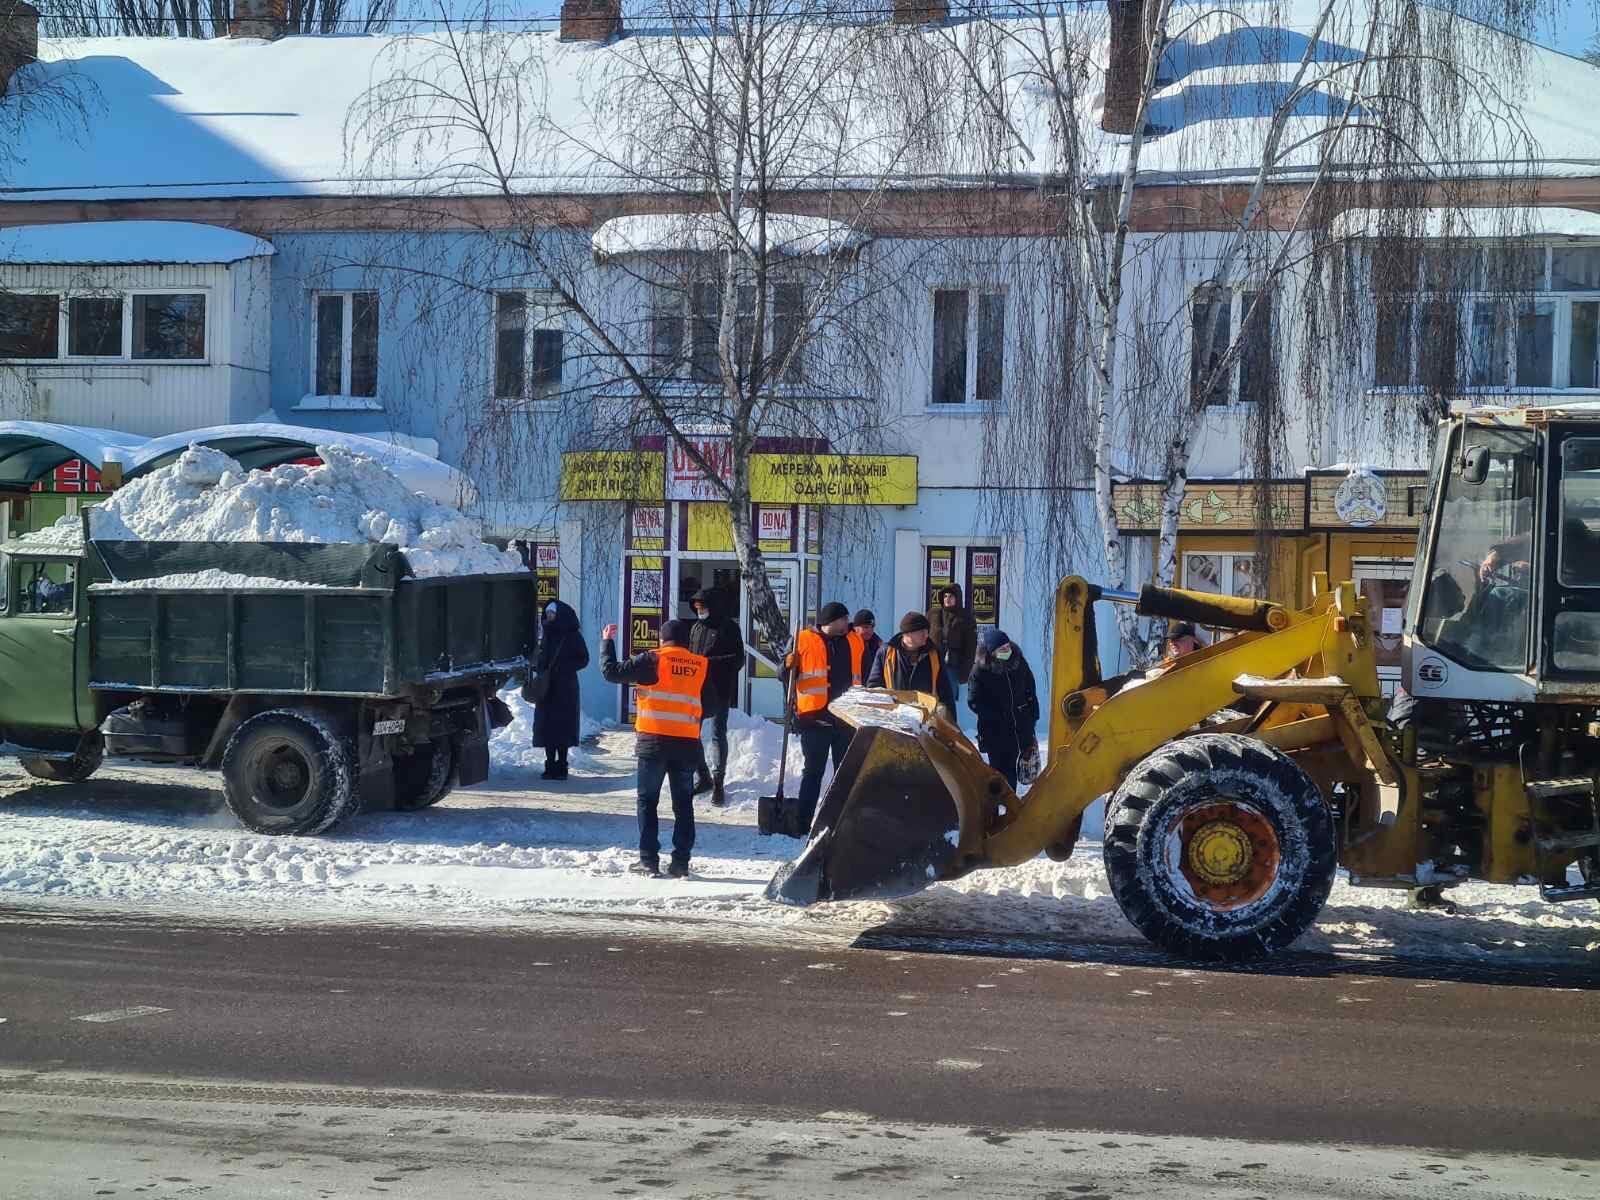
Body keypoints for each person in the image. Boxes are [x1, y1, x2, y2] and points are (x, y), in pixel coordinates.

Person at [600, 618, 708, 878]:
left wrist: (607, 642)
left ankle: (648, 861)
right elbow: (711, 702)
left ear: (663, 639)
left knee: (648, 801)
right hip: (686, 744)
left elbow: (611, 672)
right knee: (683, 804)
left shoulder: (653, 659)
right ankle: (681, 862)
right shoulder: (700, 664)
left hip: (654, 744)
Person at [783, 601, 854, 831]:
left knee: (843, 774)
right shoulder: (802, 639)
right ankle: (803, 822)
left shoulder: (849, 641)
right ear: (831, 621)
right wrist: (788, 665)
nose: (847, 623)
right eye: (843, 619)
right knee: (813, 772)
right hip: (813, 719)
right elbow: (783, 674)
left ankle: (837, 823)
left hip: (844, 719)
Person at [688, 586, 744, 807]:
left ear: (712, 607)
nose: (699, 611)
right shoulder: (696, 627)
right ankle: (703, 776)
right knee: (691, 733)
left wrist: (710, 665)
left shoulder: (729, 627)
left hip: (719, 688)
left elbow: (738, 659)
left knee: (717, 733)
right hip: (696, 689)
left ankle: (718, 782)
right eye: (696, 608)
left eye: (702, 608)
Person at [965, 628, 1040, 788]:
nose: (1007, 651)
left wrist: (1033, 715)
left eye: (1007, 646)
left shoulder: (1018, 662)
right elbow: (974, 701)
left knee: (1019, 769)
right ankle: (999, 801)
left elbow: (1030, 689)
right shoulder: (980, 670)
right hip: (996, 731)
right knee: (1000, 773)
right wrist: (996, 714)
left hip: (1021, 726)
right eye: (1002, 649)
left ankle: (1010, 799)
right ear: (991, 651)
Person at [531, 600, 590, 781]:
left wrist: (564, 667)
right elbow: (539, 657)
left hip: (565, 688)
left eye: (552, 614)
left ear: (560, 615)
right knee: (547, 728)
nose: (549, 617)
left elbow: (583, 659)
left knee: (562, 728)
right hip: (547, 688)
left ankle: (562, 766)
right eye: (547, 614)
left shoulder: (572, 634)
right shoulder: (544, 632)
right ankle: (549, 766)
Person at [867, 611, 957, 721]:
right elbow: (874, 687)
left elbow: (945, 692)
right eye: (922, 632)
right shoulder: (886, 653)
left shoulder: (934, 654)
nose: (926, 635)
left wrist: (951, 722)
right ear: (908, 633)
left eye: (927, 631)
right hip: (894, 719)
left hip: (925, 721)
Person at [929, 584, 977, 699]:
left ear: (957, 598)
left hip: (952, 665)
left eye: (951, 596)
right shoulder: (933, 614)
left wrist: (965, 671)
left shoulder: (966, 617)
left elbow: (970, 647)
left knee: (949, 698)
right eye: (945, 596)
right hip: (933, 662)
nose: (947, 599)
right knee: (930, 696)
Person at [846, 609, 882, 686]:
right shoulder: (845, 641)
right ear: (855, 627)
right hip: (847, 689)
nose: (870, 631)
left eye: (872, 627)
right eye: (866, 627)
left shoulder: (876, 644)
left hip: (867, 689)